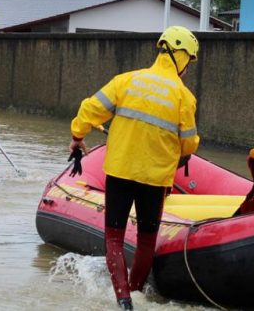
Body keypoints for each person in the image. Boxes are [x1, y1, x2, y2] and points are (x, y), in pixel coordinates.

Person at [68, 26, 200, 311]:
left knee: (114, 237)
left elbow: (90, 110)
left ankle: (123, 300)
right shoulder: (184, 97)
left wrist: (77, 136)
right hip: (155, 179)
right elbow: (189, 145)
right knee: (146, 240)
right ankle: (137, 293)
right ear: (181, 56)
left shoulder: (126, 81)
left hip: (119, 172)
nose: (188, 68)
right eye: (189, 60)